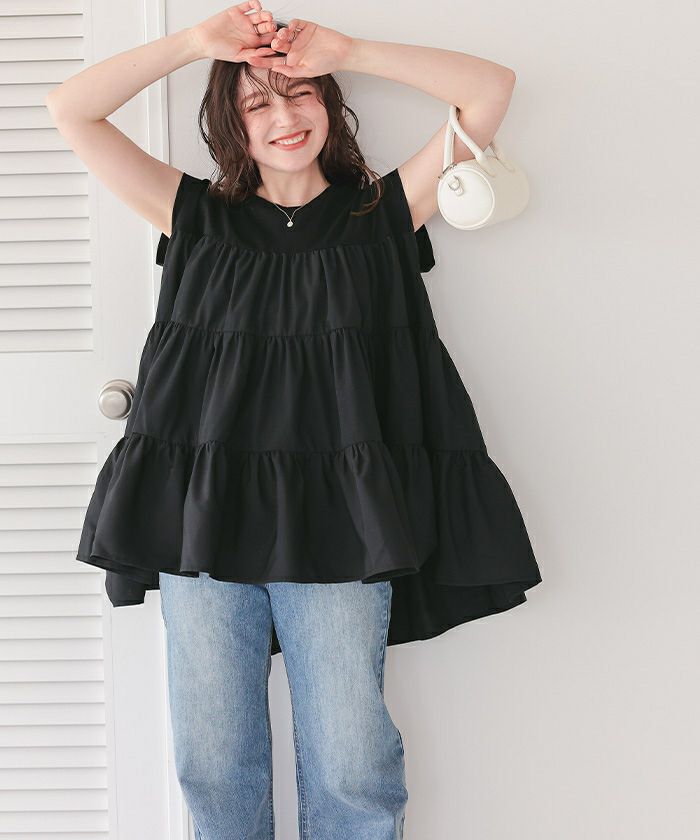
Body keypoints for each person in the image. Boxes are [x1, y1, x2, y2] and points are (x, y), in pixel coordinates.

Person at [47, 4, 542, 838]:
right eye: (257, 102)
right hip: (202, 518)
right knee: (214, 763)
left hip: (342, 524)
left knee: (354, 763)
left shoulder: (382, 213)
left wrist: (347, 50)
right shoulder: (194, 214)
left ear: (330, 104)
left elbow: (490, 89)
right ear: (231, 125)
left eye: (302, 93)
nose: (285, 116)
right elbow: (71, 110)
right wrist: (196, 42)